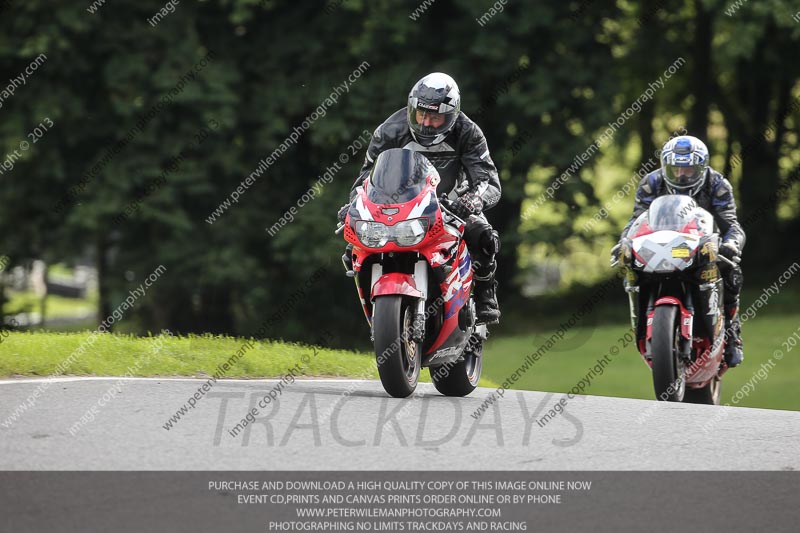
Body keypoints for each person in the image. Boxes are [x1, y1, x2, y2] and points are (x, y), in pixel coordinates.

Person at [338, 72, 502, 323]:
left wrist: (474, 201)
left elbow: (487, 180)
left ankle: (485, 293)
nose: (425, 123)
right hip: (400, 207)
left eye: (435, 118)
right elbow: (365, 178)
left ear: (451, 115)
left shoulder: (468, 132)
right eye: (421, 114)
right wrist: (354, 205)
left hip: (453, 204)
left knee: (483, 235)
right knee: (355, 244)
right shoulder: (389, 131)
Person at [614, 135, 745, 367]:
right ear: (665, 167)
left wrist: (731, 244)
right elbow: (637, 220)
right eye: (676, 169)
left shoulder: (717, 184)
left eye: (689, 169)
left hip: (701, 247)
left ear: (702, 167)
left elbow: (731, 223)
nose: (682, 175)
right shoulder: (651, 183)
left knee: (732, 272)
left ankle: (732, 333)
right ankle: (644, 324)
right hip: (659, 247)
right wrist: (624, 242)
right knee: (631, 272)